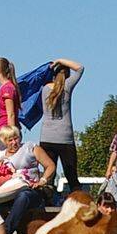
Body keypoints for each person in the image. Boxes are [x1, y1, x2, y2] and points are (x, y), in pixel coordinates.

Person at [0, 126, 51, 234]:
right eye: (10, 140)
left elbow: (50, 166)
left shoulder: (30, 147)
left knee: (23, 196)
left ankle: (5, 231)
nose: (14, 142)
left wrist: (42, 180)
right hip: (7, 193)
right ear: (4, 141)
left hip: (30, 190)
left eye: (16, 138)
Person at [33, 58, 85, 196]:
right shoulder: (67, 87)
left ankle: (47, 201)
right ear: (67, 76)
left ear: (54, 75)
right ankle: (77, 201)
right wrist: (60, 60)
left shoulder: (45, 89)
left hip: (47, 137)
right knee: (72, 176)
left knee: (48, 175)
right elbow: (80, 68)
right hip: (65, 138)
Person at [0, 57, 21, 146]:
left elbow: (11, 114)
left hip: (6, 131)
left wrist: (11, 136)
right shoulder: (5, 88)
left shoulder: (7, 89)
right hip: (1, 130)